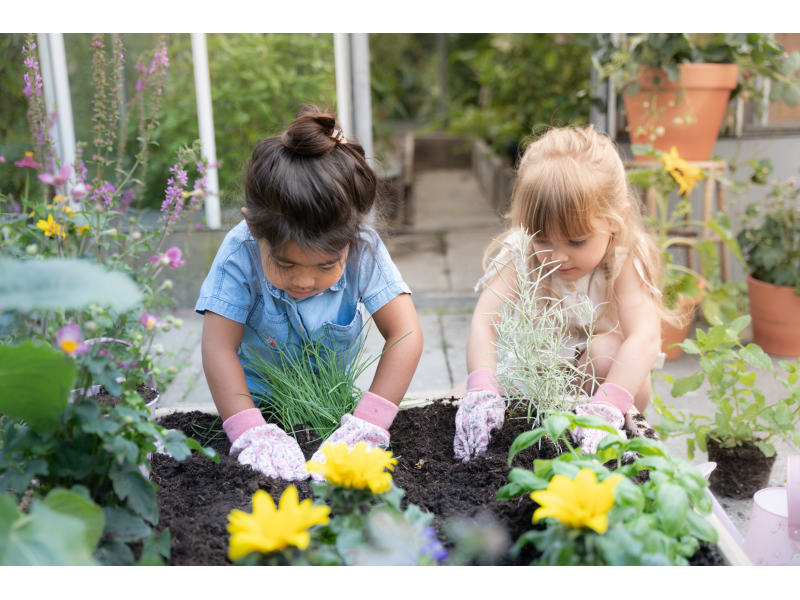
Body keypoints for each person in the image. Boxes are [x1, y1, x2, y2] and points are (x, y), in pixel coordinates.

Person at [197, 105, 423, 481]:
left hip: (332, 408)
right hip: (257, 405)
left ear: (351, 240)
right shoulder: (240, 253)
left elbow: (406, 333)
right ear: (255, 230)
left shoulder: (364, 248)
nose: (304, 281)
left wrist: (367, 425)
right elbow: (217, 347)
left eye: (324, 266)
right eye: (285, 265)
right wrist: (250, 430)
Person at [453, 125, 680, 461]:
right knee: (454, 402)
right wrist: (483, 389)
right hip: (535, 377)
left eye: (576, 242)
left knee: (608, 350)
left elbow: (645, 338)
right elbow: (485, 323)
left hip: (598, 381)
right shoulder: (520, 251)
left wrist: (606, 407)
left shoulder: (624, 256)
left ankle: (594, 430)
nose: (557, 256)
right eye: (542, 240)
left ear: (616, 220)